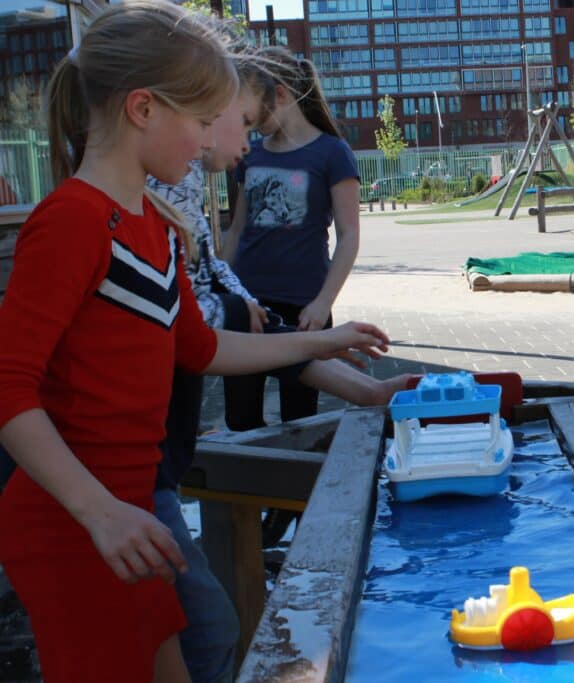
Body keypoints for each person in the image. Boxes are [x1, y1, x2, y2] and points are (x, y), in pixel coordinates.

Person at [0, 3, 390, 681]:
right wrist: (99, 512)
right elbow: (8, 388)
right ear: (143, 109)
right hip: (77, 522)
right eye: (203, 120)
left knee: (198, 650)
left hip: (132, 512)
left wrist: (319, 344)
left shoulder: (156, 226)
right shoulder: (70, 222)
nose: (210, 139)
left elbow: (201, 348)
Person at [144, 52, 408, 683]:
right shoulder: (131, 209)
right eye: (230, 122)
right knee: (201, 634)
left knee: (199, 634)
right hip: (129, 480)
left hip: (151, 469)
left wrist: (342, 363)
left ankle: (275, 530)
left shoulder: (181, 191)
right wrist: (310, 344)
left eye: (237, 122)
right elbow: (206, 335)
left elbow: (215, 311)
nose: (240, 145)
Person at [220, 46, 362, 433]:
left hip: (304, 309)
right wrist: (223, 293)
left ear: (280, 95)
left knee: (300, 423)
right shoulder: (250, 154)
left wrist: (323, 303)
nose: (249, 125)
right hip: (248, 307)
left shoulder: (332, 153)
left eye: (253, 113)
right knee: (241, 421)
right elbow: (237, 229)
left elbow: (349, 236)